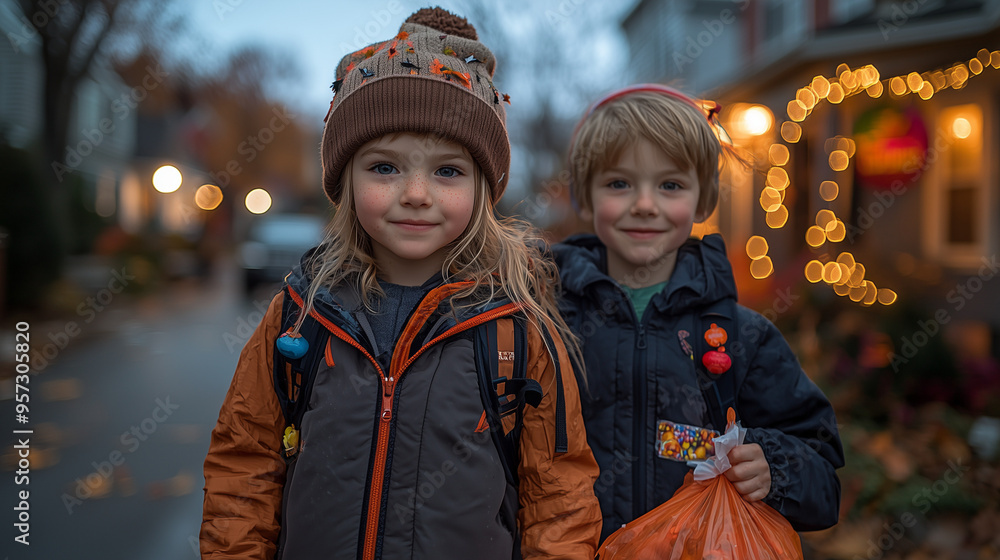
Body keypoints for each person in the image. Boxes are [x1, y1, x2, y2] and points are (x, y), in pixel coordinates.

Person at [200, 8, 601, 559]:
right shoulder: (300, 318)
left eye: (447, 171)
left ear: (483, 189)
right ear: (346, 180)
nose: (415, 193)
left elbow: (559, 503)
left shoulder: (515, 333)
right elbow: (243, 470)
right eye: (384, 168)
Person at [552, 84, 845, 542]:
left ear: (704, 199)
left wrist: (775, 467)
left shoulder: (742, 338)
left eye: (670, 185)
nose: (644, 205)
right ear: (585, 197)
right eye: (619, 183)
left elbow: (824, 480)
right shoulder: (543, 321)